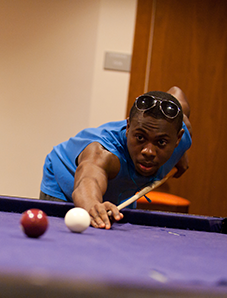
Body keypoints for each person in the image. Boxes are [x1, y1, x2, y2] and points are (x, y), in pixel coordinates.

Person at [40, 86, 192, 229]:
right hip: (65, 178)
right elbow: (87, 181)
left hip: (120, 188)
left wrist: (180, 154)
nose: (148, 152)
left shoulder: (181, 135)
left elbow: (176, 92)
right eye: (140, 137)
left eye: (161, 142)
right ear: (128, 128)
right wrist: (92, 205)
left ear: (178, 138)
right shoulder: (103, 153)